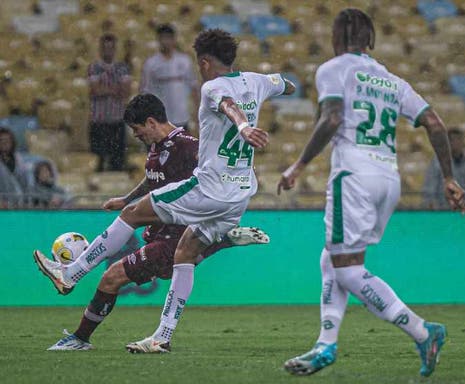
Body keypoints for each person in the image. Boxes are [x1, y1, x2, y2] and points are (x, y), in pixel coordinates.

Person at [277, 9, 465, 378]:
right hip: (388, 180)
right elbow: (435, 123)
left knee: (348, 270)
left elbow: (332, 119)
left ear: (337, 37)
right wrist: (449, 177)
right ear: (370, 39)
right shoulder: (392, 80)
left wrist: (298, 166)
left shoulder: (334, 69)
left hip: (354, 175)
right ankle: (325, 345)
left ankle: (422, 330)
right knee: (332, 258)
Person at [34, 87, 285, 350]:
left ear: (152, 122)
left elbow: (221, 167)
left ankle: (79, 332)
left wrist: (243, 170)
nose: (136, 135)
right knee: (114, 273)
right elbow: (154, 181)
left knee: (112, 276)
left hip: (173, 240)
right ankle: (222, 241)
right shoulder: (157, 148)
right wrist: (126, 199)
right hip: (159, 235)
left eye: (137, 129)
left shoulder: (188, 146)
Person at [139, 23, 199, 131]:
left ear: (174, 39)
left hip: (182, 117)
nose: (165, 42)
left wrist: (197, 113)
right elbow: (144, 91)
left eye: (168, 38)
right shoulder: (151, 64)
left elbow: (193, 87)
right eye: (163, 38)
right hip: (160, 119)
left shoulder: (185, 61)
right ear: (158, 40)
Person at [88, 33, 131, 172]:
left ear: (115, 49)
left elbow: (125, 92)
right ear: (100, 49)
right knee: (98, 161)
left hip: (117, 122)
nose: (108, 51)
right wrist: (115, 89)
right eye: (105, 48)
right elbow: (94, 90)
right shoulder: (93, 68)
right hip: (98, 122)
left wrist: (104, 88)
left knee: (117, 161)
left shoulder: (123, 68)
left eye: (111, 48)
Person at [423, 127, 465, 210]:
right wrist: (431, 204)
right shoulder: (437, 163)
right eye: (453, 140)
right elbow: (429, 188)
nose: (457, 143)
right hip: (444, 211)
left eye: (459, 139)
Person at [0, 127, 29, 207]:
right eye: (1, 140)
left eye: (7, 140)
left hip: (19, 204)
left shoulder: (19, 159)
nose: (5, 143)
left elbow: (25, 183)